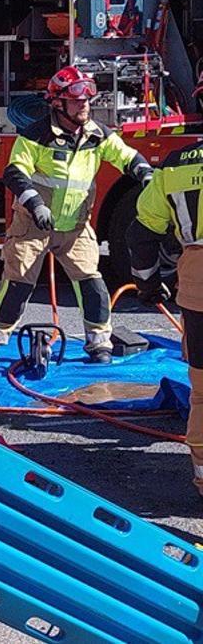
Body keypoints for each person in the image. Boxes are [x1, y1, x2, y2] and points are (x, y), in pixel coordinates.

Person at [0, 66, 153, 366]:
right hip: (33, 225)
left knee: (91, 284)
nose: (85, 105)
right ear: (58, 103)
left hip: (75, 227)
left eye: (87, 100)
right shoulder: (36, 135)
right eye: (77, 100)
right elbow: (15, 171)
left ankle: (99, 343)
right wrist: (34, 204)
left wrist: (146, 175)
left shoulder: (97, 135)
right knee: (17, 284)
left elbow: (127, 156)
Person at [127, 140, 203, 496]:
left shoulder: (175, 166)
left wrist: (147, 284)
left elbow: (141, 234)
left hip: (198, 280)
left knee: (202, 392)